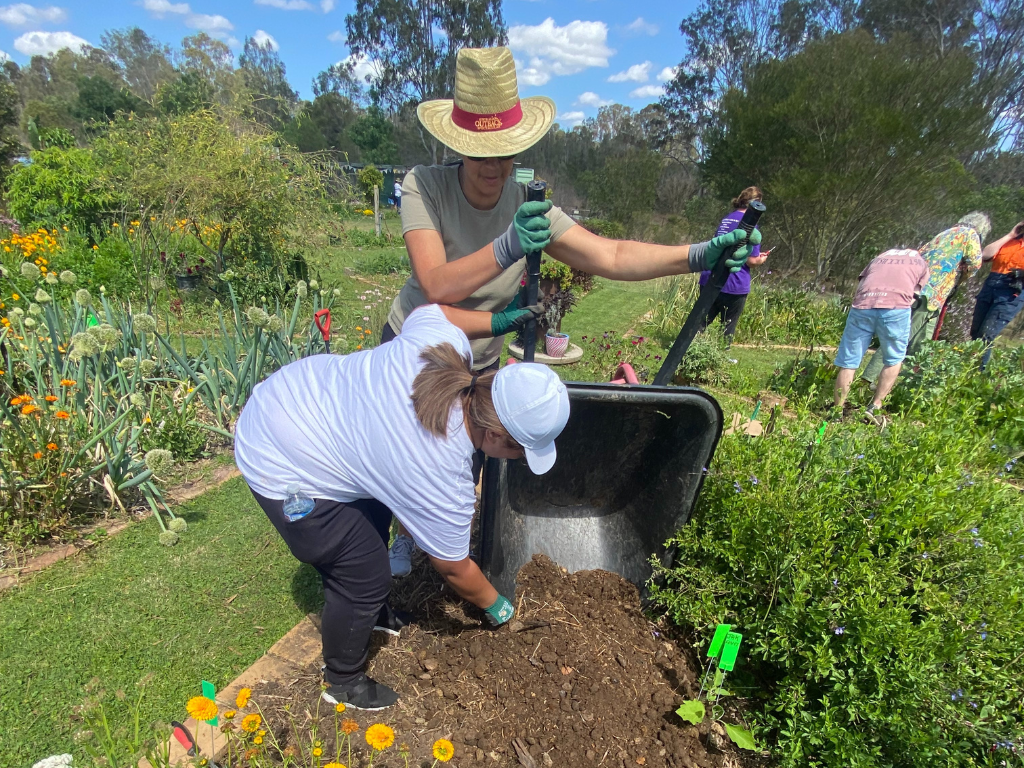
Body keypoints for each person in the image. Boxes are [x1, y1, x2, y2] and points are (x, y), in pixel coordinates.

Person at [385, 45, 759, 575]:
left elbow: (610, 254)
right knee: (411, 452)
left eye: (504, 152)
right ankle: (406, 539)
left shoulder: (527, 204)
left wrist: (697, 254)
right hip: (417, 349)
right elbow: (436, 283)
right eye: (480, 151)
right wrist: (507, 248)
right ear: (458, 145)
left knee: (470, 455)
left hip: (482, 357)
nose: (494, 166)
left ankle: (453, 539)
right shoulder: (425, 185)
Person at [234, 303, 571, 710]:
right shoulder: (439, 471)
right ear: (497, 436)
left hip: (301, 393)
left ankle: (371, 616)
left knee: (373, 519)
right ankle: (343, 681)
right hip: (281, 456)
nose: (517, 460)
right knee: (362, 572)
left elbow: (431, 309)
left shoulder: (444, 344)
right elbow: (452, 567)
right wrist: (499, 608)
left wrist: (493, 322)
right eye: (521, 452)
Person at [861, 211, 989, 384]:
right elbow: (975, 264)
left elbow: (920, 254)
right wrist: (963, 275)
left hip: (920, 290)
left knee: (922, 346)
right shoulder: (970, 234)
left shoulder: (944, 234)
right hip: (930, 293)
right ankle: (869, 379)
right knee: (900, 337)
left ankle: (906, 385)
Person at [833, 248, 929, 424]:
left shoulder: (880, 257)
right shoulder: (921, 263)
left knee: (849, 361)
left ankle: (836, 412)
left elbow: (862, 284)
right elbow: (915, 295)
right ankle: (874, 406)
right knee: (893, 358)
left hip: (863, 305)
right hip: (895, 307)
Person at [697, 186, 770, 352]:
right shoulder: (751, 225)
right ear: (757, 204)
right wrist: (761, 260)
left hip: (709, 277)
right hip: (734, 283)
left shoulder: (727, 219)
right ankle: (722, 356)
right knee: (727, 327)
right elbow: (751, 260)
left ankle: (687, 351)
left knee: (700, 323)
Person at [971, 220, 1024, 367]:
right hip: (991, 286)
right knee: (975, 332)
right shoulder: (1011, 241)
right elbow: (985, 254)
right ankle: (968, 368)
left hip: (1011, 293)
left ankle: (978, 373)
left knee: (986, 335)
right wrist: (1011, 234)